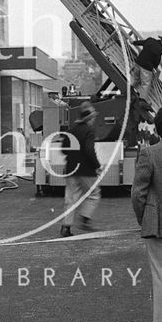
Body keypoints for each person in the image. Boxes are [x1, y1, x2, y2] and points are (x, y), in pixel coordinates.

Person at [131, 106, 162, 322]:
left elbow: (138, 194)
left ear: (157, 128)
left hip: (157, 223)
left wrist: (142, 217)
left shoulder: (149, 154)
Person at [60, 101, 101, 238]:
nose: (94, 120)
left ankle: (66, 228)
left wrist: (73, 157)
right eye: (93, 118)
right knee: (93, 194)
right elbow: (89, 150)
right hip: (86, 170)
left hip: (71, 169)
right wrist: (97, 165)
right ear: (89, 119)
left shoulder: (71, 130)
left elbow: (63, 149)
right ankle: (84, 218)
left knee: (70, 199)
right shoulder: (89, 131)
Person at [132, 33, 162, 101]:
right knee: (146, 85)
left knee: (136, 79)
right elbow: (156, 62)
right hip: (146, 68)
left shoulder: (150, 40)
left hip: (138, 63)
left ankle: (129, 91)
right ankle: (142, 101)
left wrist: (133, 42)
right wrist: (154, 68)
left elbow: (141, 42)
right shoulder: (160, 51)